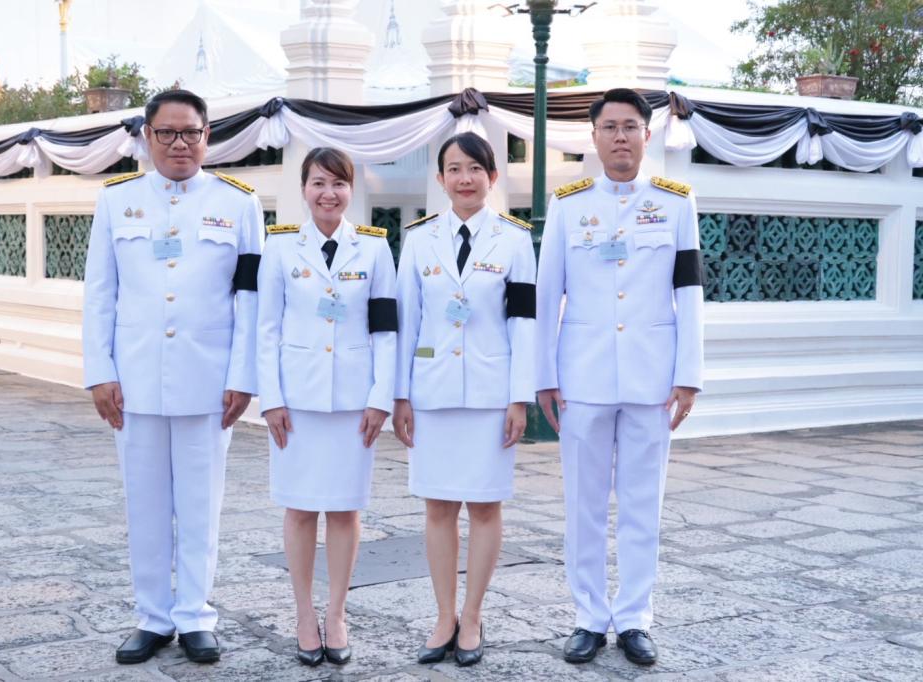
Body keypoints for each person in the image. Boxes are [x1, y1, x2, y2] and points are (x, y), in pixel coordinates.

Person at [83, 89, 263, 664]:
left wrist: (244, 375)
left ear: (208, 137)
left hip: (208, 379)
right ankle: (153, 617)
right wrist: (99, 371)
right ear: (147, 136)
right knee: (145, 504)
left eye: (191, 132)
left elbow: (250, 299)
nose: (179, 143)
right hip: (134, 378)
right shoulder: (117, 201)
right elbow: (100, 294)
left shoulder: (239, 204)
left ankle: (195, 616)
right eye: (167, 132)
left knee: (201, 502)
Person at [535, 87, 705, 666]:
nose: (620, 137)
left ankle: (634, 618)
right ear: (594, 136)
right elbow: (547, 294)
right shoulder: (569, 205)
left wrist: (688, 374)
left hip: (651, 376)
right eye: (609, 127)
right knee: (582, 504)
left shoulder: (676, 203)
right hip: (582, 376)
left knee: (641, 504)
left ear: (647, 135)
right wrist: (544, 375)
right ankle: (588, 617)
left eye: (631, 126)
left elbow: (690, 292)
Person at [393, 132, 536, 668]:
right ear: (441, 179)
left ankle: (472, 616)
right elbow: (406, 322)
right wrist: (400, 395)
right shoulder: (418, 240)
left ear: (492, 177)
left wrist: (519, 397)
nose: (465, 178)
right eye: (454, 169)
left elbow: (524, 323)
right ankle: (443, 615)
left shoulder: (514, 241)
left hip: (490, 394)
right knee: (437, 506)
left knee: (484, 505)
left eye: (475, 168)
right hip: (431, 392)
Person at [256, 147, 397, 667]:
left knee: (344, 509)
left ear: (351, 190)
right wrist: (271, 399)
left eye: (338, 183)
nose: (328, 193)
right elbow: (266, 329)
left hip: (354, 402)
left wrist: (380, 397)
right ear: (304, 189)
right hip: (296, 402)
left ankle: (336, 613)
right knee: (299, 509)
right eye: (318, 183)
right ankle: (302, 613)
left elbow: (386, 329)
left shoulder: (375, 248)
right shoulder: (280, 247)